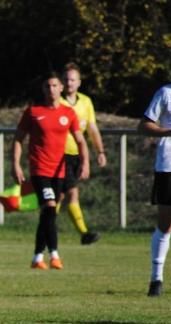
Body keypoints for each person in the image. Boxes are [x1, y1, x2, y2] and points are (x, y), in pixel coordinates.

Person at [11, 72, 90, 270]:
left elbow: (80, 140)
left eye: (55, 85)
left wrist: (85, 162)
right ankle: (54, 255)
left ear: (61, 88)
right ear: (43, 89)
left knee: (48, 213)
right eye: (47, 86)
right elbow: (18, 139)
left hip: (59, 171)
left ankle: (37, 257)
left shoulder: (68, 113)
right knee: (50, 205)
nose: (51, 89)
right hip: (39, 169)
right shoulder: (33, 112)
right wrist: (16, 164)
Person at [139, 56, 171, 297]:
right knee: (166, 222)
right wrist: (169, 131)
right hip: (169, 163)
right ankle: (156, 278)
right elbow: (143, 125)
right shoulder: (167, 93)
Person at [59, 62, 107, 245]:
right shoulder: (58, 102)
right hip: (59, 155)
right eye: (66, 79)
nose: (69, 83)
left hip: (77, 155)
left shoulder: (86, 102)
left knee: (60, 196)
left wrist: (100, 151)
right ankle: (84, 233)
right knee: (72, 193)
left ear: (79, 82)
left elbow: (92, 129)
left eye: (72, 79)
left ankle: (47, 227)